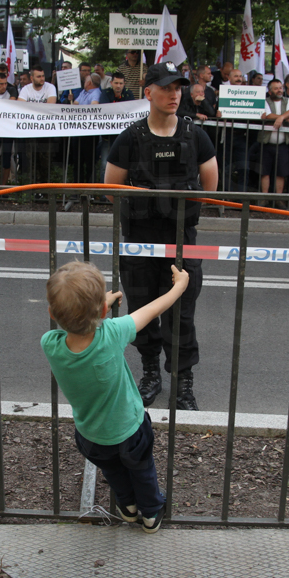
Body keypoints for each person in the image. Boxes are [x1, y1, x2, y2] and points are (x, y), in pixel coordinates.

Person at [41, 260, 190, 533]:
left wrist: (96, 310)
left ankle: (128, 508)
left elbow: (73, 329)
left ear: (52, 312)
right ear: (103, 310)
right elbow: (152, 310)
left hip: (90, 436)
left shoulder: (50, 344)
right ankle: (151, 515)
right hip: (129, 430)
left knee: (114, 472)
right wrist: (179, 287)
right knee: (143, 471)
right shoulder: (112, 334)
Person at [104, 62, 219, 410]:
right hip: (140, 241)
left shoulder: (194, 134)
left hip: (179, 243)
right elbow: (111, 188)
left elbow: (210, 187)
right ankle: (151, 373)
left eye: (178, 88)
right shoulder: (131, 137)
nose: (174, 94)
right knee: (141, 312)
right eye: (166, 87)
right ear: (149, 91)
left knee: (180, 314)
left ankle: (183, 383)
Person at [254, 78, 289, 203]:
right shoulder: (265, 101)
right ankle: (264, 198)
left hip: (283, 143)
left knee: (281, 172)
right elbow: (267, 115)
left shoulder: (288, 100)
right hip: (266, 143)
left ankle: (279, 199)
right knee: (264, 171)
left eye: (280, 87)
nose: (279, 90)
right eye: (276, 88)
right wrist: (284, 118)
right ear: (270, 91)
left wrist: (281, 117)